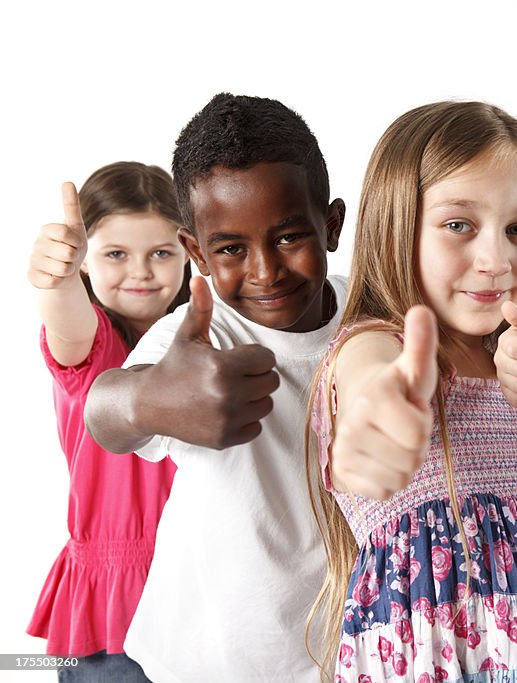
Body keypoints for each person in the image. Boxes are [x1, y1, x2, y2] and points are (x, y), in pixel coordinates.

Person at [307, 100, 517, 682]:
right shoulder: (370, 345)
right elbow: (368, 377)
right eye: (458, 225)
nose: (496, 259)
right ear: (398, 225)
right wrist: (382, 405)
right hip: (439, 658)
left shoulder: (515, 343)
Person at [84, 93, 346, 683]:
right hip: (208, 660)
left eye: (288, 237)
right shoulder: (199, 337)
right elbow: (106, 412)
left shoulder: (375, 317)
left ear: (331, 224)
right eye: (231, 249)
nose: (265, 271)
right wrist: (148, 400)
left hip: (345, 653)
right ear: (197, 253)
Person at [26, 162, 188, 681]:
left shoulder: (203, 336)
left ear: (189, 252)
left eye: (160, 253)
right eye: (116, 254)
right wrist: (59, 279)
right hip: (110, 616)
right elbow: (67, 319)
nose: (140, 271)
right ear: (88, 263)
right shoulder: (93, 350)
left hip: (196, 586)